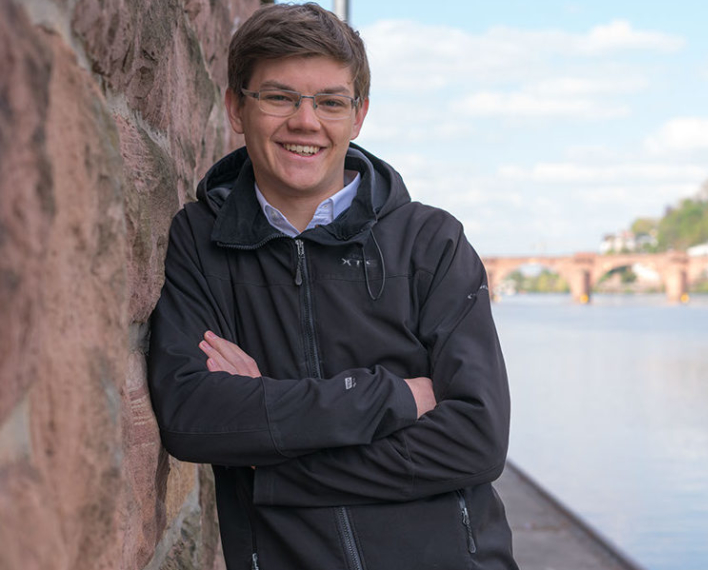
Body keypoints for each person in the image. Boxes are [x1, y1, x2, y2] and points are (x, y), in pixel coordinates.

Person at [146, 3, 517, 569]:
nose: (305, 121)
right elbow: (193, 416)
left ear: (358, 115)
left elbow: (476, 440)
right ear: (235, 108)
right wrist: (390, 397)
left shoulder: (431, 242)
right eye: (279, 97)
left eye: (330, 102)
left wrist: (269, 460)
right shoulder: (201, 240)